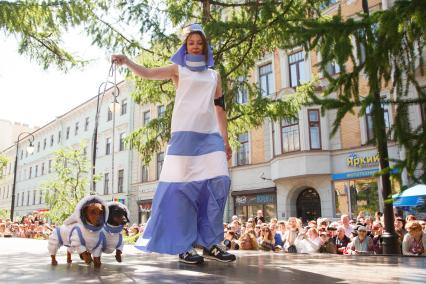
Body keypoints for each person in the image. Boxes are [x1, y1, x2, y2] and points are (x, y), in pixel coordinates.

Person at [112, 23, 235, 264]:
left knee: (219, 183)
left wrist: (226, 139)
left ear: (205, 46)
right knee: (181, 190)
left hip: (210, 136)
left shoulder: (214, 75)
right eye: (191, 42)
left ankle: (211, 243)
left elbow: (220, 108)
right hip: (183, 136)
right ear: (186, 46)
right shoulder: (178, 69)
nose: (196, 46)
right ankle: (184, 245)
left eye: (199, 42)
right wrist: (127, 61)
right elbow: (148, 73)